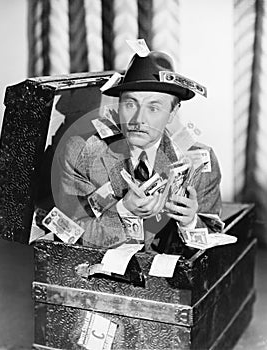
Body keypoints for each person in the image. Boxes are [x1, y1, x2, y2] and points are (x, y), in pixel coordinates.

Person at [57, 50, 221, 252]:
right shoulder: (83, 153)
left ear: (172, 113)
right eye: (130, 103)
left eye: (153, 108)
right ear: (118, 104)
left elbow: (213, 239)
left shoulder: (199, 161)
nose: (137, 120)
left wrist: (190, 222)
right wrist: (123, 211)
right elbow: (68, 233)